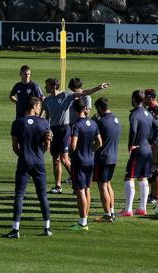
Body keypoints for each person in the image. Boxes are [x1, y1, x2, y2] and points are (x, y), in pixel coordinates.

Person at [43, 78, 109, 194]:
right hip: (53, 130)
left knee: (64, 159)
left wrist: (98, 87)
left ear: (54, 86)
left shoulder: (65, 95)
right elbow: (47, 117)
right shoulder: (47, 100)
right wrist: (48, 129)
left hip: (64, 130)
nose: (45, 88)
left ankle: (76, 182)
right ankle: (58, 186)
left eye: (47, 85)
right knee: (56, 159)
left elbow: (84, 93)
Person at [4, 97, 52, 238]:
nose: (40, 109)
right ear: (35, 106)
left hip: (24, 161)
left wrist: (24, 155)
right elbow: (47, 146)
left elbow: (15, 147)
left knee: (19, 195)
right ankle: (46, 227)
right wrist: (39, 154)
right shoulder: (43, 123)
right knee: (42, 195)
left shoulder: (17, 123)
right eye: (39, 107)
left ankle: (15, 229)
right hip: (39, 162)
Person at [69, 99, 102, 231]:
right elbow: (99, 142)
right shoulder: (93, 124)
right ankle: (84, 219)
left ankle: (83, 223)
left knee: (80, 190)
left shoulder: (76, 125)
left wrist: (72, 154)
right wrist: (90, 150)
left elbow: (73, 145)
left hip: (79, 161)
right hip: (90, 160)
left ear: (75, 110)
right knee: (87, 189)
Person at [120, 90, 154, 217]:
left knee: (129, 177)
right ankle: (142, 208)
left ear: (134, 99)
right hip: (147, 149)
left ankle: (128, 210)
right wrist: (152, 141)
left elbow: (133, 130)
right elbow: (157, 128)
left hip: (138, 149)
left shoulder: (134, 114)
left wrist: (131, 144)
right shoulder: (148, 114)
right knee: (143, 177)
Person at [93, 97, 121, 222]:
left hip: (102, 157)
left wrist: (93, 122)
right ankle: (112, 212)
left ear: (99, 108)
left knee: (102, 186)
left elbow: (97, 140)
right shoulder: (116, 120)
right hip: (113, 157)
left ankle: (107, 215)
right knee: (108, 184)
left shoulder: (101, 122)